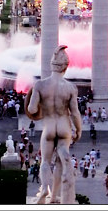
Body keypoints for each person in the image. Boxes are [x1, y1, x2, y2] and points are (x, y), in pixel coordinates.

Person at [25, 45, 82, 205]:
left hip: (48, 127)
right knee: (59, 162)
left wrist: (40, 108)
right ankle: (55, 194)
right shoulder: (71, 87)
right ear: (66, 67)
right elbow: (75, 113)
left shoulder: (40, 85)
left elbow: (31, 108)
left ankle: (44, 188)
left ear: (52, 65)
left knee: (45, 161)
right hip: (64, 128)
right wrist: (79, 130)